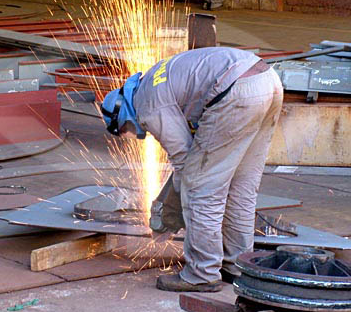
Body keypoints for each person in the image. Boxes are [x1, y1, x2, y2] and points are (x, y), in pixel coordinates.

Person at [100, 47, 283, 292]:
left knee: (201, 190)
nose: (135, 134)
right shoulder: (154, 79)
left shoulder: (146, 104)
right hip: (268, 82)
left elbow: (186, 163)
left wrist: (169, 211)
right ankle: (238, 267)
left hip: (237, 91)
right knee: (241, 188)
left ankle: (202, 273)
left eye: (127, 131)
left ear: (122, 113)